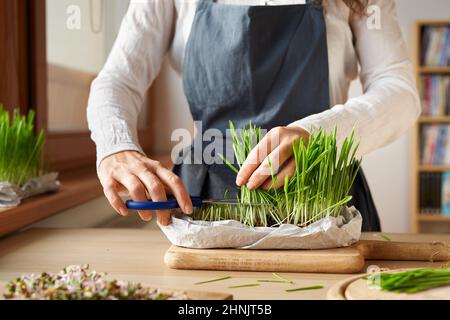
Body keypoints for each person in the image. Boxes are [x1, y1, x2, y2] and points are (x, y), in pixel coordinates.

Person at [87, 0, 420, 231]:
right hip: (208, 200)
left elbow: (399, 91)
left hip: (326, 195)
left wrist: (317, 134)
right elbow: (118, 80)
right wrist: (116, 147)